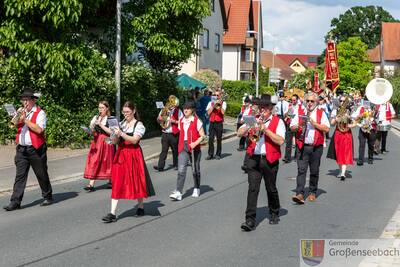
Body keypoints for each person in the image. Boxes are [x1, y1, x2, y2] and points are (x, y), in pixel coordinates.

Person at [237, 95, 285, 231]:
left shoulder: (278, 122)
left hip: (269, 159)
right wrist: (247, 128)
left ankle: (274, 212)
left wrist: (266, 130)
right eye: (261, 107)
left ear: (271, 108)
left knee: (271, 188)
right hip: (254, 158)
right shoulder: (255, 120)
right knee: (253, 188)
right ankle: (250, 220)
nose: (262, 109)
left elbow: (280, 141)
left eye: (265, 107)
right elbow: (239, 133)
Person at [102, 101, 155, 223]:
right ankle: (112, 213)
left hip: (133, 155)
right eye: (124, 112)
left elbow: (135, 140)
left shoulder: (139, 125)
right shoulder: (121, 124)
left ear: (134, 111)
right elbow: (115, 142)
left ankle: (140, 206)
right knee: (117, 182)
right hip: (121, 154)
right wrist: (113, 137)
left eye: (128, 112)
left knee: (136, 180)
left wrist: (121, 133)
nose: (125, 114)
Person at [4, 88, 53, 211]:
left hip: (35, 149)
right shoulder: (22, 111)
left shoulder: (40, 113)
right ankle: (15, 201)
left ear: (33, 100)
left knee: (41, 173)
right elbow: (13, 126)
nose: (24, 102)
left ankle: (47, 196)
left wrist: (25, 119)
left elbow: (39, 130)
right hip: (21, 149)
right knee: (20, 176)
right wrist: (15, 118)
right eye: (23, 100)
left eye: (26, 100)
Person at [291, 92, 330, 204]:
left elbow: (327, 129)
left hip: (316, 146)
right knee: (301, 170)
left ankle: (313, 191)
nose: (309, 103)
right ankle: (300, 193)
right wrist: (298, 125)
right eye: (307, 101)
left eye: (312, 101)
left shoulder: (321, 113)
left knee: (314, 170)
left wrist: (314, 124)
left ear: (316, 102)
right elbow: (292, 127)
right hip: (302, 145)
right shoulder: (299, 111)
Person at [169, 101, 205, 201]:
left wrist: (195, 143)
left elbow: (203, 135)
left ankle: (197, 187)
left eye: (188, 108)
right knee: (181, 170)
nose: (185, 110)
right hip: (183, 147)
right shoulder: (181, 121)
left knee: (195, 170)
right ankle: (179, 192)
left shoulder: (197, 121)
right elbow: (180, 132)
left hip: (194, 148)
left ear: (192, 110)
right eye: (184, 108)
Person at [83, 101, 115, 191]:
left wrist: (100, 124)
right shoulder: (96, 117)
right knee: (94, 161)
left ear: (107, 108)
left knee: (108, 161)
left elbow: (112, 132)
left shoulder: (111, 119)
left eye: (102, 108)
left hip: (107, 141)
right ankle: (91, 184)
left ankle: (111, 181)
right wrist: (91, 129)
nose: (100, 110)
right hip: (97, 141)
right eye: (99, 108)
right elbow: (93, 132)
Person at [327, 96, 356, 181]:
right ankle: (340, 170)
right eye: (341, 101)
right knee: (338, 153)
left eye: (344, 101)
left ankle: (343, 173)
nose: (342, 102)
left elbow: (354, 123)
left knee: (345, 153)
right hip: (338, 133)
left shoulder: (350, 111)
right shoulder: (335, 111)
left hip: (347, 134)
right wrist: (336, 119)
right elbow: (332, 124)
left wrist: (349, 124)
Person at [153, 95, 182, 172]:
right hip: (165, 133)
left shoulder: (178, 111)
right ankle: (160, 166)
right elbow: (158, 119)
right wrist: (159, 119)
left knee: (175, 150)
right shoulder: (164, 110)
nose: (172, 105)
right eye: (171, 103)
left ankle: (176, 164)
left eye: (174, 104)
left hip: (174, 133)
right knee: (164, 150)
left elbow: (182, 122)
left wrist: (175, 121)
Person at [352, 99, 377, 166]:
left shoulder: (374, 107)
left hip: (371, 129)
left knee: (371, 144)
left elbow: (378, 119)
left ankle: (370, 158)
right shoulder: (360, 108)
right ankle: (360, 160)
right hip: (362, 128)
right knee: (361, 144)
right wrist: (359, 116)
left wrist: (374, 114)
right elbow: (354, 117)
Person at [283, 94, 305, 163]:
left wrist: (300, 125)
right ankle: (287, 157)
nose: (293, 101)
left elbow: (304, 116)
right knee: (288, 142)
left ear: (297, 100)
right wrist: (288, 112)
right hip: (290, 125)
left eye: (294, 100)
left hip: (297, 125)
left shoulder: (301, 107)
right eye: (292, 100)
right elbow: (285, 115)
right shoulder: (289, 106)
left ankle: (297, 156)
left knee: (297, 141)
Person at [241, 97, 260, 173]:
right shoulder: (250, 112)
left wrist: (256, 114)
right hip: (250, 134)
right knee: (248, 149)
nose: (253, 106)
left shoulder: (261, 114)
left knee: (254, 149)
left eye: (255, 105)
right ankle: (246, 165)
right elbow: (245, 121)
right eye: (253, 104)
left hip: (257, 134)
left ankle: (251, 165)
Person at [206, 89, 226, 160]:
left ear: (220, 96)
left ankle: (218, 154)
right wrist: (213, 106)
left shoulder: (223, 103)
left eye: (218, 95)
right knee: (210, 139)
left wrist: (219, 105)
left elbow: (223, 113)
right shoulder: (210, 103)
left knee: (219, 139)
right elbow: (208, 113)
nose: (216, 96)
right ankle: (210, 154)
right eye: (215, 95)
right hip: (212, 122)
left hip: (219, 123)